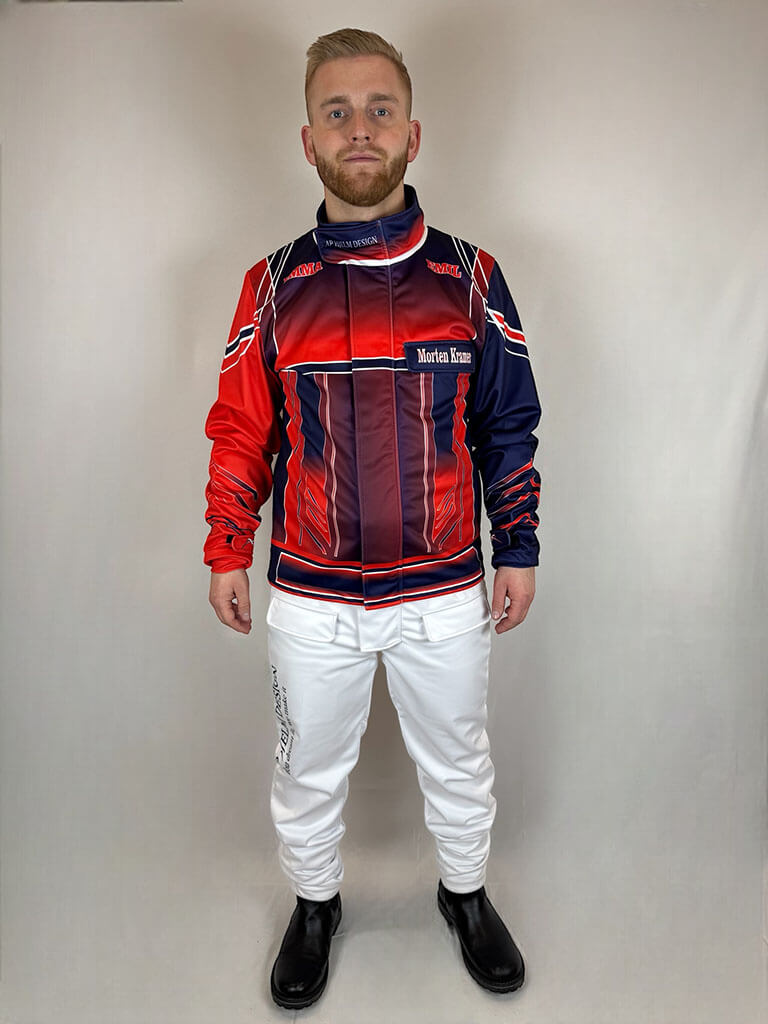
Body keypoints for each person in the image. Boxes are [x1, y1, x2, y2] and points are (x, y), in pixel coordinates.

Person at [202, 27, 542, 1011]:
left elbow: (508, 424)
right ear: (308, 139)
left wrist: (517, 546)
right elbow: (241, 429)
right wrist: (227, 546)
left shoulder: (471, 278)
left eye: (380, 110)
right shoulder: (272, 286)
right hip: (313, 596)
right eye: (338, 112)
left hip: (445, 587)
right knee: (306, 770)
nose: (361, 129)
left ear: (413, 133)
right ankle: (316, 906)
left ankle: (465, 893)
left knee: (461, 760)